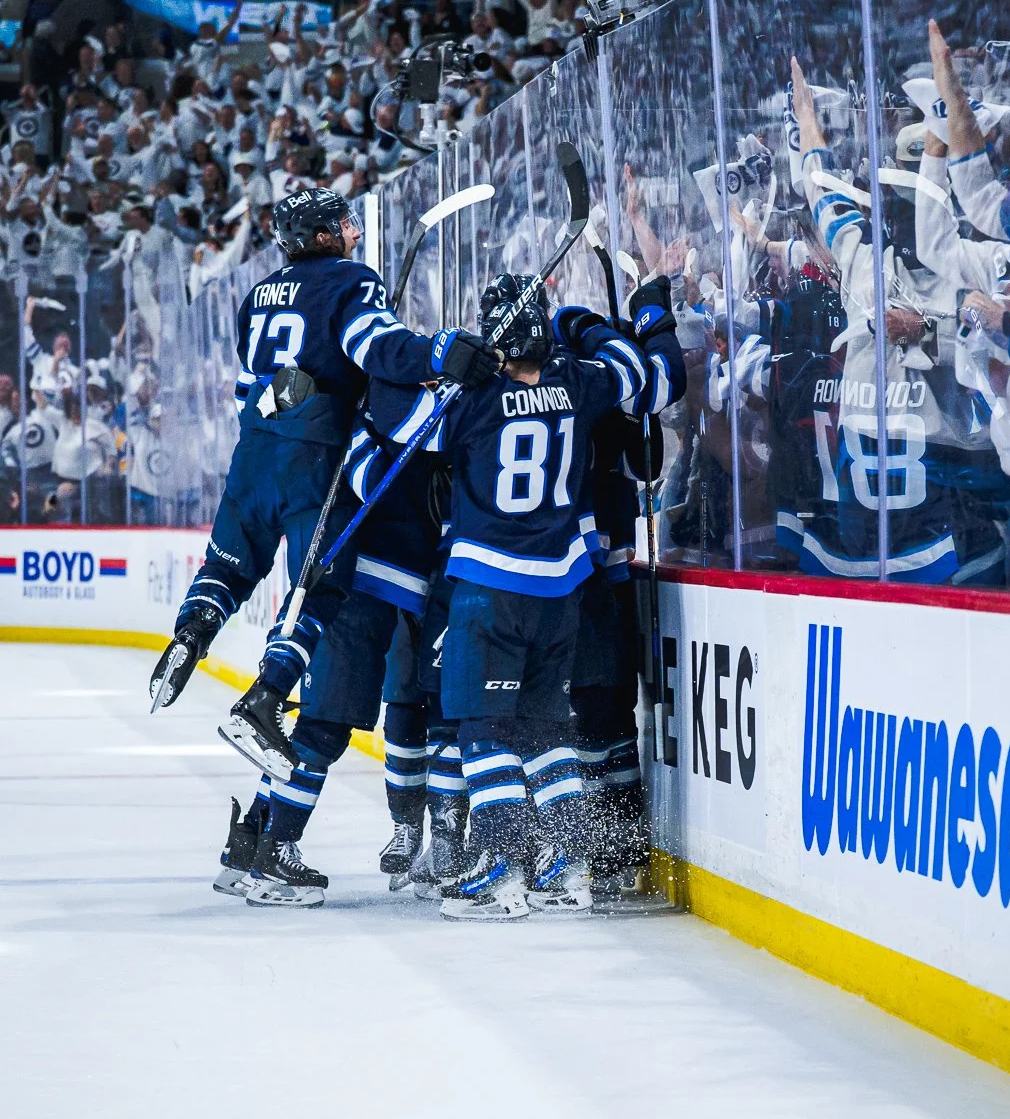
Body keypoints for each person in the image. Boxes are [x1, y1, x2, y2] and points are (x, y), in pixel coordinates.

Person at [148, 188, 501, 902]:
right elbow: (385, 351)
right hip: (361, 544)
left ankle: (250, 837)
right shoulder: (363, 312)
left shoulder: (259, 298)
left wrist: (412, 361)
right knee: (352, 709)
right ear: (322, 234)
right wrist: (439, 355)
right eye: (341, 223)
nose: (351, 230)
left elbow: (267, 383)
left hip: (261, 449)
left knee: (237, 574)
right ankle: (281, 820)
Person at [372, 271, 682, 918]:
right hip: (563, 590)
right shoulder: (580, 383)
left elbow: (392, 416)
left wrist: (443, 352)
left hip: (490, 591)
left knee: (484, 730)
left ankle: (502, 870)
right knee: (545, 731)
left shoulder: (471, 400)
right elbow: (653, 377)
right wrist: (585, 324)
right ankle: (569, 866)